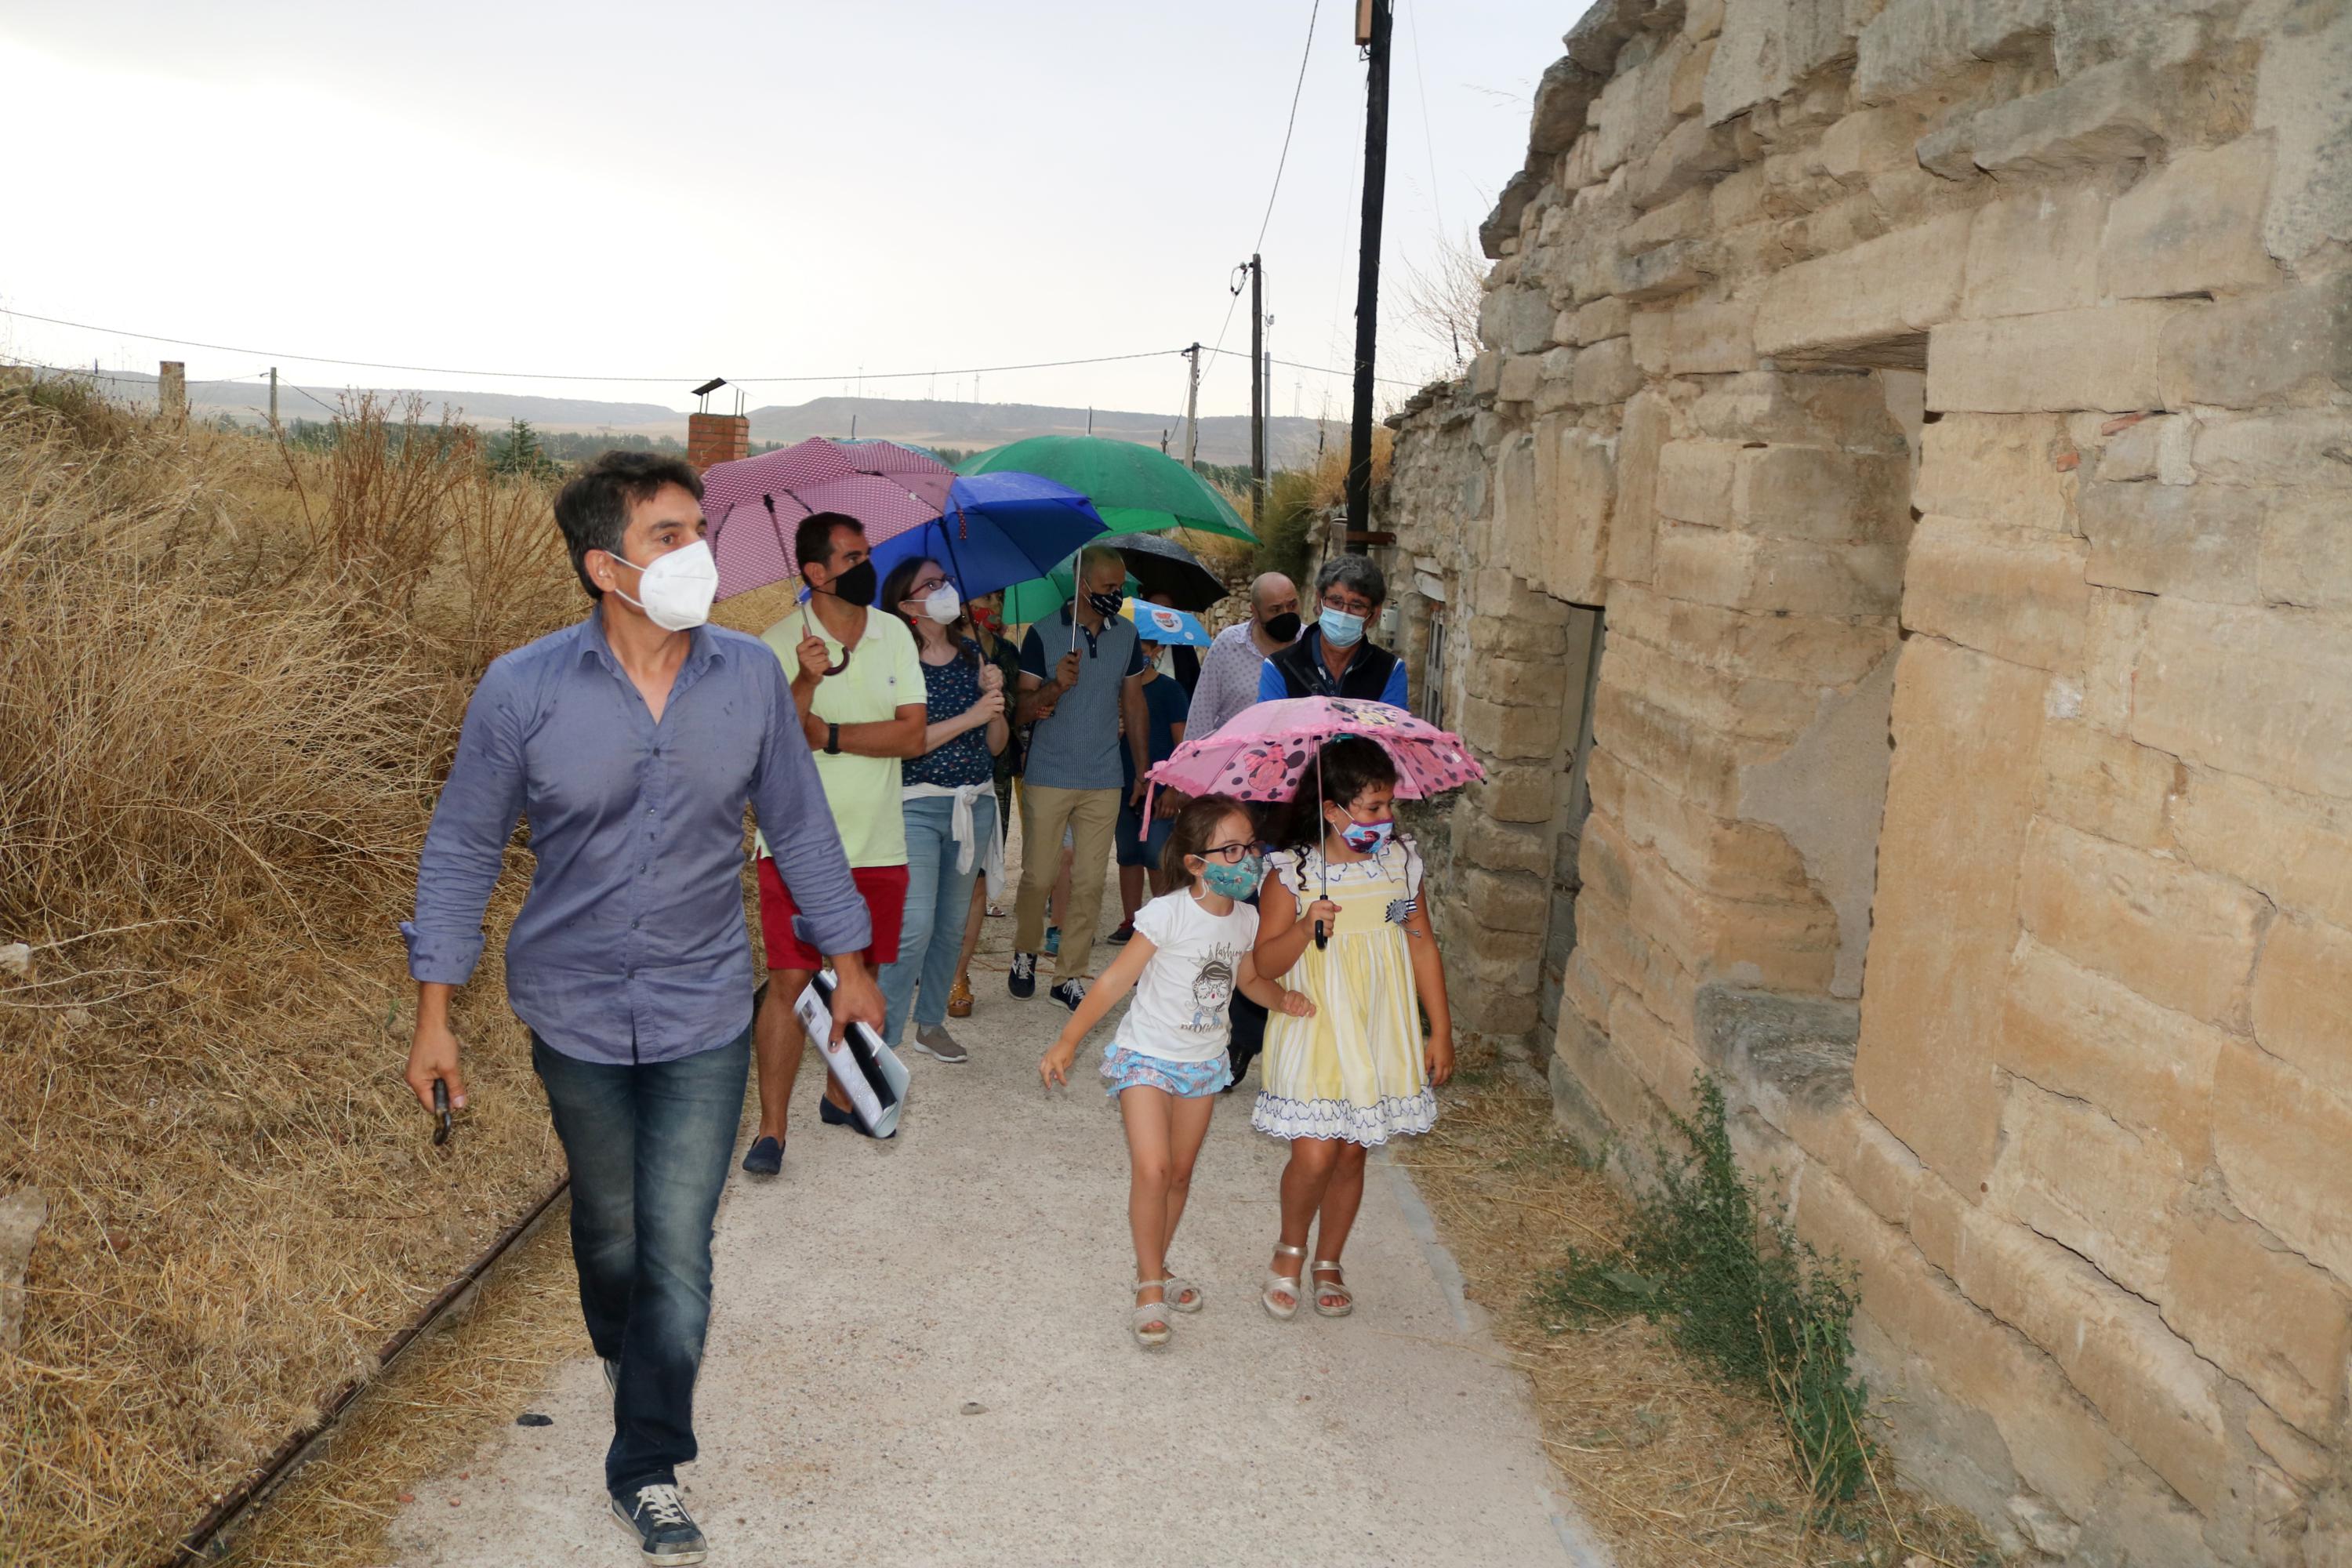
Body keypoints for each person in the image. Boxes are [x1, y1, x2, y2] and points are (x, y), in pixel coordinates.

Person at [402, 452, 881, 1564]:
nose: (698, 551)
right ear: (605, 566)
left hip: (706, 1002)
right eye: (670, 535)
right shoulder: (521, 689)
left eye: (697, 526)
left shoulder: (751, 681)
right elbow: (463, 848)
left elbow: (802, 825)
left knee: (677, 1242)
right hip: (570, 1006)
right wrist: (434, 1014)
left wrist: (848, 958)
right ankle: (634, 1357)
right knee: (610, 1231)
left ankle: (647, 1460)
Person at [1038, 795, 1313, 1347]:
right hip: (1147, 1058)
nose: (1247, 859)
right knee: (1155, 1169)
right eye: (1231, 851)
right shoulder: (1167, 913)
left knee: (1182, 1173)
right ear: (1196, 864)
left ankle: (1158, 1267)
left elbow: (1249, 980)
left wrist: (1282, 1000)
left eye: (1250, 847)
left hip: (1203, 1065)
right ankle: (1148, 1288)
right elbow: (1116, 981)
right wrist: (1069, 1039)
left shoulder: (1248, 919)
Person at [741, 512, 928, 1177]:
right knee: (792, 981)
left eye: (867, 552)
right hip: (792, 845)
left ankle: (840, 1095)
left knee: (864, 977)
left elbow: (912, 736)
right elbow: (772, 742)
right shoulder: (771, 644)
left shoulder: (896, 634)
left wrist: (834, 735)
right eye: (851, 557)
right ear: (815, 574)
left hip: (880, 842)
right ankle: (770, 1131)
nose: (866, 566)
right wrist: (804, 682)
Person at [1250, 735, 1454, 1323]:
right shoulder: (1292, 874)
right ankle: (1290, 1251)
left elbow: (1420, 943)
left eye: (1389, 806)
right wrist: (1307, 926)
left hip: (1378, 1026)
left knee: (1350, 1157)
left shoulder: (1399, 866)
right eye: (1371, 808)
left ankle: (1329, 1261)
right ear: (1333, 810)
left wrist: (1438, 1030)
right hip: (1315, 1023)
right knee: (1314, 1157)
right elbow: (1264, 964)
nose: (1384, 819)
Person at [874, 557, 1007, 1064]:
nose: (944, 589)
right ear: (907, 605)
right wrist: (972, 713)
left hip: (973, 806)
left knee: (952, 926)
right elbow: (903, 744)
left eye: (944, 580)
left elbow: (993, 746)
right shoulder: (895, 661)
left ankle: (930, 1025)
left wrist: (993, 701)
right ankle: (881, 1037)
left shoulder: (972, 654)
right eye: (930, 584)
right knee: (915, 927)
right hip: (917, 807)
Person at [1010, 545, 1150, 1011]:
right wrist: (1057, 683)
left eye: (1121, 586)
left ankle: (1067, 975)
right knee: (1038, 876)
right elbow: (1023, 711)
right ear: (1082, 585)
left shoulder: (1126, 634)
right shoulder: (1043, 634)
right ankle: (1026, 951)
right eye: (1110, 587)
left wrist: (1143, 770)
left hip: (1104, 775)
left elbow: (1134, 702)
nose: (1118, 594)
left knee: (1091, 882)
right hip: (1049, 773)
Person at [947, 589, 1023, 1020]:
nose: (992, 606)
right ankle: (931, 961)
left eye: (997, 599)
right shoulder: (914, 650)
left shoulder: (998, 656)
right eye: (984, 598)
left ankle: (959, 975)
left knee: (975, 881)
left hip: (984, 781)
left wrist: (994, 700)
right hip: (927, 786)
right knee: (936, 885)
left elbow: (1001, 736)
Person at [1108, 627, 1192, 945]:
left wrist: (1173, 790)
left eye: (1143, 648)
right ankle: (1132, 920)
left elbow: (1182, 745)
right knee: (1127, 854)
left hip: (1160, 792)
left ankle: (1162, 922)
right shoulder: (1115, 691)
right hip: (1121, 785)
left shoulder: (1170, 691)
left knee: (1157, 855)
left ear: (1156, 650)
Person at [1258, 556, 1408, 709]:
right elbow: (1269, 728)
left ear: (1374, 614)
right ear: (1319, 602)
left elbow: (1393, 729)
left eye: (1357, 606)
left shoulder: (1389, 670)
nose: (1344, 614)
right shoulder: (1280, 668)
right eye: (1336, 602)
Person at [1189, 572, 1298, 739]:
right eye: (1275, 609)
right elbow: (1202, 712)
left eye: (1292, 605)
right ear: (1254, 611)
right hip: (1233, 760)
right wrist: (1191, 761)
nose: (1286, 614)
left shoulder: (1312, 643)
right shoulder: (1228, 645)